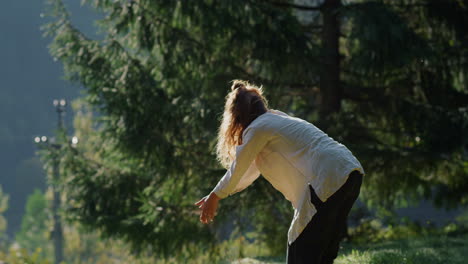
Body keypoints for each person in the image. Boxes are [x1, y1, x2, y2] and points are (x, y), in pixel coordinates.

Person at [195, 80, 364, 264]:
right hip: (349, 171)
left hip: (328, 177)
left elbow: (239, 169)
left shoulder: (258, 128)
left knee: (300, 251)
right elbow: (247, 171)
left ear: (236, 117)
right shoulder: (275, 120)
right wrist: (216, 194)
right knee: (323, 254)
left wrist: (216, 195)